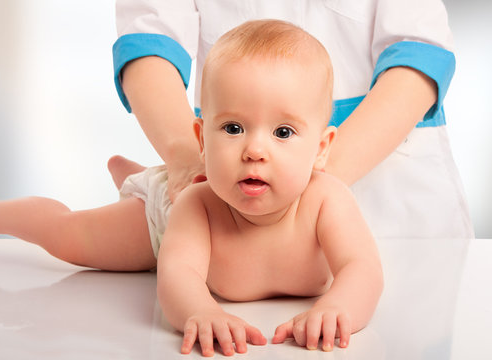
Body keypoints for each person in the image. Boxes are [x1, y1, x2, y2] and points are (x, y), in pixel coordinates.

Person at [0, 20, 384, 356]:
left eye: (283, 132)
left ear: (321, 149)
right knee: (71, 237)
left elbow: (361, 268)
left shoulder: (328, 200)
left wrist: (338, 307)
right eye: (233, 128)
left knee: (137, 192)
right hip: (164, 217)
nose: (254, 150)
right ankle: (0, 214)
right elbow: (177, 272)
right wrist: (200, 310)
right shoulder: (199, 205)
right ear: (201, 138)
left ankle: (133, 177)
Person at [113, 0, 474, 239]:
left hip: (396, 214)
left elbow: (418, 56)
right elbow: (148, 41)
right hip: (237, 198)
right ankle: (147, 191)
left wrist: (309, 191)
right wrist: (184, 159)